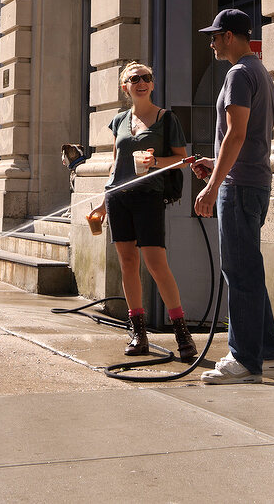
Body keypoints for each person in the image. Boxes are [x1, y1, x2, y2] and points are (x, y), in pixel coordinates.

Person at [193, 8, 274, 384]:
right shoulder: (259, 72)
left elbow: (236, 134)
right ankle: (271, 349)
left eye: (215, 36)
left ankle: (245, 359)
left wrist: (214, 183)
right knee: (248, 266)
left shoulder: (238, 73)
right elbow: (244, 138)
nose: (212, 42)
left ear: (231, 36)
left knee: (239, 270)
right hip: (253, 181)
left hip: (239, 186)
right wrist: (215, 164)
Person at [89, 61, 197, 362]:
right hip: (118, 198)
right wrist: (102, 200)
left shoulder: (165, 118)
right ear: (126, 87)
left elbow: (181, 159)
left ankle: (182, 334)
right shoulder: (120, 120)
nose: (141, 82)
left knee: (156, 263)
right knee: (127, 262)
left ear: (152, 84)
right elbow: (115, 164)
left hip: (149, 196)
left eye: (146, 78)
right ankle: (137, 332)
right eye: (134, 78)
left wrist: (154, 162)